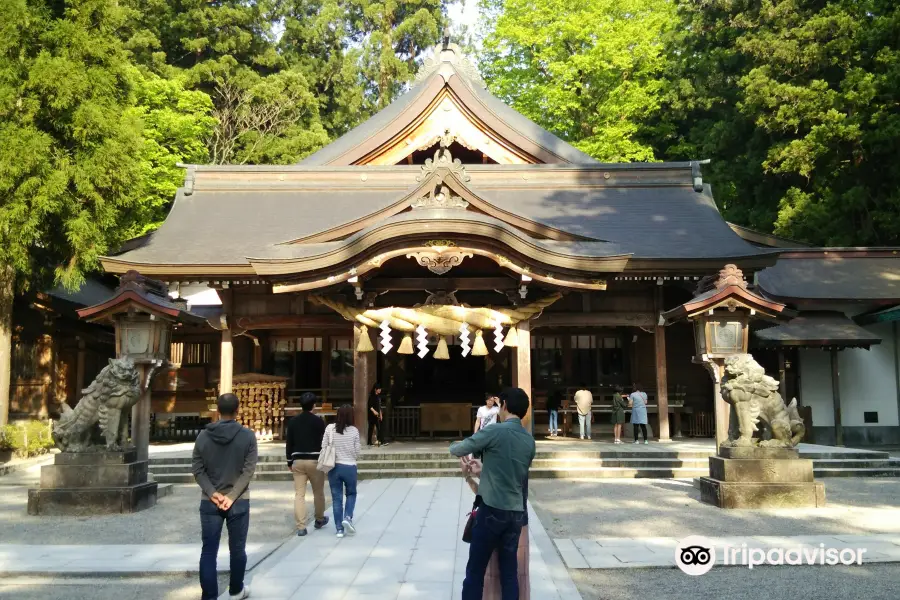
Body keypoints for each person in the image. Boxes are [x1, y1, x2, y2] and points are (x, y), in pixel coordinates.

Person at [449, 387, 536, 600]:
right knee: (509, 574)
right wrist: (485, 468)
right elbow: (511, 471)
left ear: (504, 405)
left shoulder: (495, 430)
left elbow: (460, 449)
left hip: (491, 511)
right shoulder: (529, 441)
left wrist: (453, 445)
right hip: (515, 513)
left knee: (475, 571)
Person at [192, 393, 258, 600]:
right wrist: (232, 496)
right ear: (238, 410)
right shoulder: (247, 436)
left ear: (217, 411)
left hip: (209, 502)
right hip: (238, 501)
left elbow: (197, 469)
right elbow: (248, 471)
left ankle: (209, 596)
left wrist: (213, 494)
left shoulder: (203, 436)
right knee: (237, 549)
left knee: (209, 551)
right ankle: (236, 589)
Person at [460, 457, 530, 600]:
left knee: (476, 573)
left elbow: (494, 492)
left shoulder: (499, 449)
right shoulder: (523, 446)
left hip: (493, 519)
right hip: (517, 520)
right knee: (510, 575)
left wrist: (474, 475)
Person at [285, 391, 329, 536]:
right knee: (318, 492)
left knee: (299, 494)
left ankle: (301, 527)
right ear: (314, 405)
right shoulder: (319, 422)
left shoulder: (293, 422)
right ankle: (319, 519)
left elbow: (289, 443)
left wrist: (289, 461)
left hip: (297, 460)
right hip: (315, 460)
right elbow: (324, 442)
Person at [328, 404, 361, 538]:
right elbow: (357, 452)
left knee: (337, 498)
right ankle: (347, 517)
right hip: (349, 466)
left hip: (334, 467)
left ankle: (339, 529)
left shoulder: (330, 429)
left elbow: (324, 446)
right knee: (351, 493)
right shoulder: (354, 431)